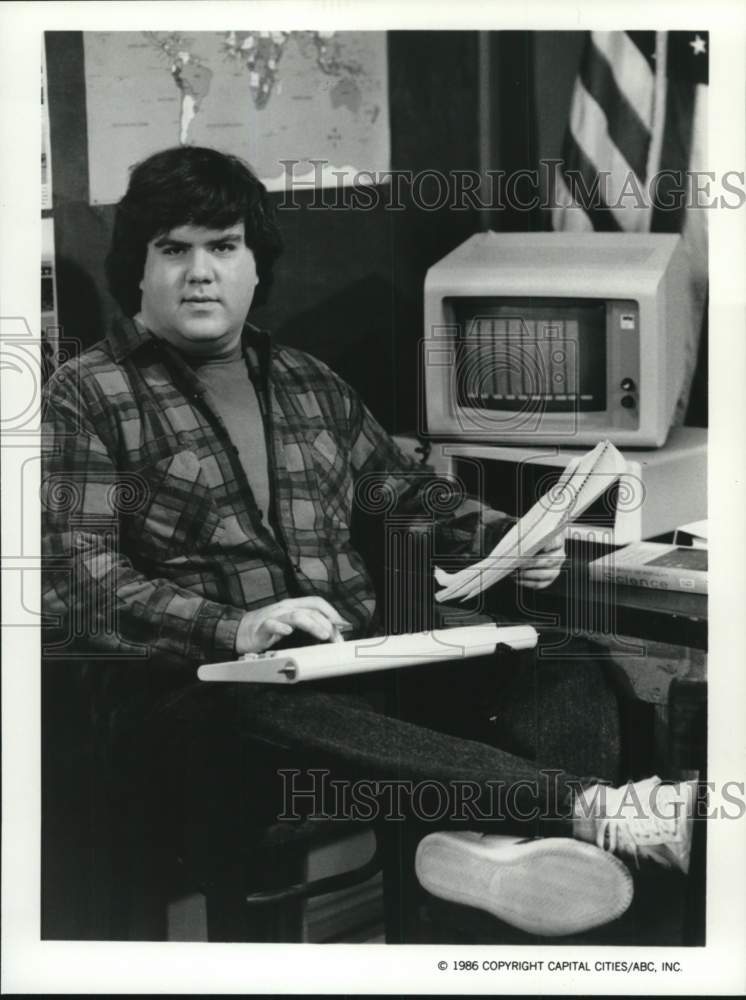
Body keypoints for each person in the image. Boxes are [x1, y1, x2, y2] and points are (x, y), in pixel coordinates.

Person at [41, 146, 694, 940]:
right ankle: (586, 814)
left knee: (558, 655)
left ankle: (496, 850)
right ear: (136, 271)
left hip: (358, 664)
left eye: (224, 246)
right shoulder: (86, 394)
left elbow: (407, 492)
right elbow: (77, 577)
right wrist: (239, 628)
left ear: (256, 265)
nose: (201, 272)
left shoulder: (307, 381)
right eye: (173, 250)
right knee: (253, 696)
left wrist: (515, 539)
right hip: (199, 708)